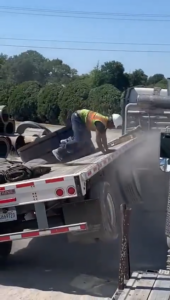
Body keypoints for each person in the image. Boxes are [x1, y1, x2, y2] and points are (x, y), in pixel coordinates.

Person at [53, 109, 122, 161]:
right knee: (79, 140)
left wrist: (107, 149)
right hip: (77, 118)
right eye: (113, 126)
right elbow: (98, 140)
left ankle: (71, 139)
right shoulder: (100, 123)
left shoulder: (105, 123)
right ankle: (59, 150)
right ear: (111, 122)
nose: (112, 128)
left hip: (83, 121)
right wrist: (103, 151)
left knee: (87, 138)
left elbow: (104, 138)